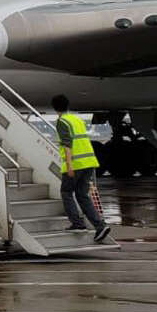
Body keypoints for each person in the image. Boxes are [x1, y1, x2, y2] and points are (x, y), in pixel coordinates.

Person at [52, 95, 112, 242]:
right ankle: (100, 225)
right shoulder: (77, 119)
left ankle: (78, 223)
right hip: (89, 161)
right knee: (82, 195)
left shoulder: (62, 121)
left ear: (55, 108)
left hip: (76, 163)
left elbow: (67, 144)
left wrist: (70, 165)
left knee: (66, 192)